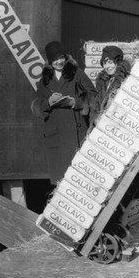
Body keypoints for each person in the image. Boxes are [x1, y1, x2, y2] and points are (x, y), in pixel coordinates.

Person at [31, 41, 96, 185]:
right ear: (49, 61)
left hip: (75, 131)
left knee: (79, 178)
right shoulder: (45, 79)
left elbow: (92, 95)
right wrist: (48, 102)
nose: (59, 62)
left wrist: (76, 102)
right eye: (54, 60)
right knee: (60, 180)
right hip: (55, 134)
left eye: (61, 57)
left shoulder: (77, 73)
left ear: (66, 57)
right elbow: (36, 105)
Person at [88, 45, 131, 130]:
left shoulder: (125, 79)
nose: (107, 66)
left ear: (118, 62)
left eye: (110, 62)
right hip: (103, 126)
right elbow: (97, 106)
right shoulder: (103, 81)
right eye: (104, 63)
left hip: (120, 126)